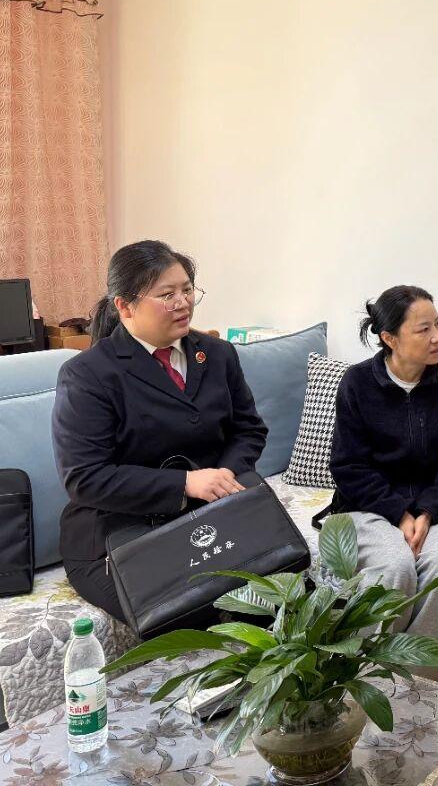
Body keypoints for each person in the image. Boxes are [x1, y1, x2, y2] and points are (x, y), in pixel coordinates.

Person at [52, 240, 267, 625]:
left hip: (212, 513)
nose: (183, 303)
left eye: (187, 290)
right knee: (199, 614)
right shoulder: (89, 375)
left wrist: (223, 477)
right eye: (167, 295)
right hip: (120, 531)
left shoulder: (217, 354)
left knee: (281, 591)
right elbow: (85, 477)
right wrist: (186, 483)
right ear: (124, 306)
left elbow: (249, 429)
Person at [326, 285, 438, 677]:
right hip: (366, 509)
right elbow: (348, 466)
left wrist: (427, 512)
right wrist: (399, 514)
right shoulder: (357, 383)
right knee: (395, 566)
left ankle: (416, 687)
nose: (437, 337)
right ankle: (362, 681)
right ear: (390, 338)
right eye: (423, 329)